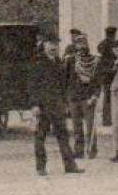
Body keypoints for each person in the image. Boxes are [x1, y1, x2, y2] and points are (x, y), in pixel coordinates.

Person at [27, 33, 83, 176]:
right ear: (44, 45)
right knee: (40, 137)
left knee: (63, 135)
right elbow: (32, 86)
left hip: (57, 106)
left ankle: (70, 166)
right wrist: (34, 105)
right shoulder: (37, 63)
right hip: (42, 107)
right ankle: (40, 167)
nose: (53, 47)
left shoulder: (59, 63)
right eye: (50, 44)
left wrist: (64, 103)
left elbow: (63, 85)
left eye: (56, 44)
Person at [63, 28, 101, 158]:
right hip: (73, 96)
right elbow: (65, 79)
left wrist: (96, 95)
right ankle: (78, 150)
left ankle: (92, 150)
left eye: (83, 43)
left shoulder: (94, 60)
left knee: (90, 125)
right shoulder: (70, 60)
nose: (81, 46)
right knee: (76, 125)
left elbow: (97, 80)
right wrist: (65, 98)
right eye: (78, 44)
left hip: (88, 97)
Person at [97, 26, 118, 127]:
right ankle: (110, 119)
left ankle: (106, 120)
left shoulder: (102, 44)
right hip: (112, 73)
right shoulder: (113, 45)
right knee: (112, 96)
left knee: (107, 96)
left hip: (104, 74)